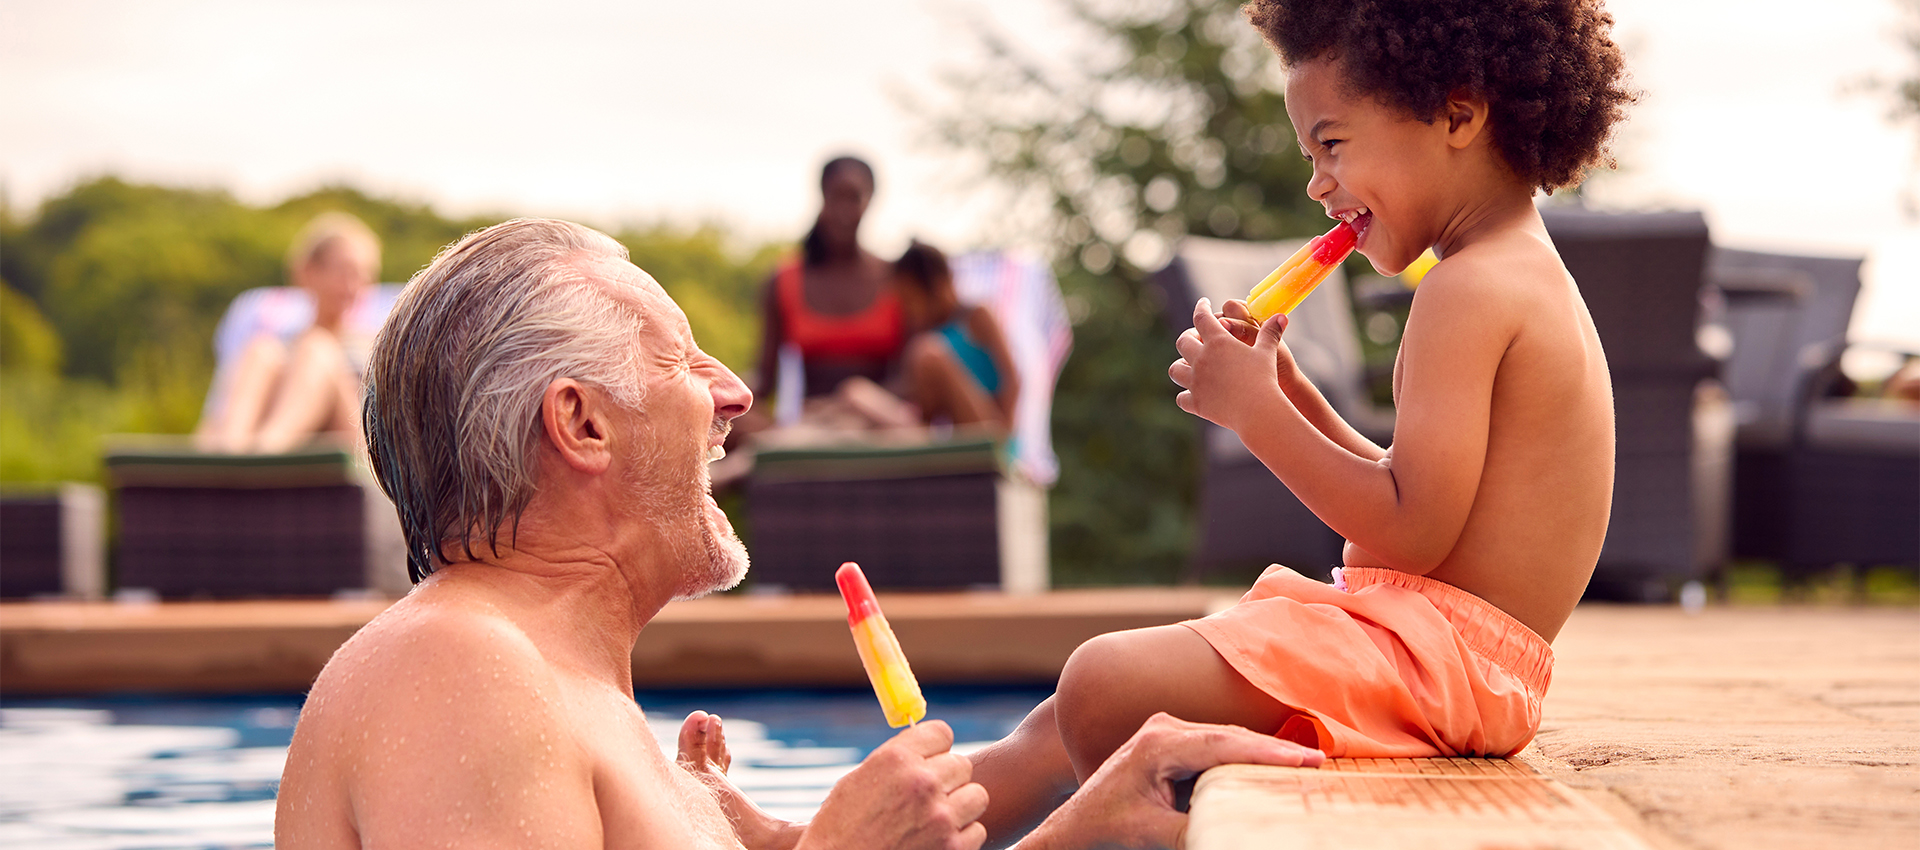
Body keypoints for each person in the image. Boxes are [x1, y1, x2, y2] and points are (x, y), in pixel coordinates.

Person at [273, 218, 1324, 850]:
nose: (731, 394)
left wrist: (1068, 764)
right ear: (581, 422)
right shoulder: (456, 665)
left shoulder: (569, 699)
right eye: (683, 359)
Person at [966, 0, 1634, 840]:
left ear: (1459, 114)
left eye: (1332, 144)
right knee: (1060, 714)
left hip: (1441, 666)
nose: (1318, 183)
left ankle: (1169, 832)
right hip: (1439, 651)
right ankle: (851, 835)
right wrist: (1289, 391)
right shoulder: (1508, 271)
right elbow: (1421, 495)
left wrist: (1254, 416)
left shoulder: (1469, 291)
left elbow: (1410, 530)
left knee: (1103, 680)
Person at [195, 212, 381, 454]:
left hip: (356, 447)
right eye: (343, 272)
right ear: (308, 273)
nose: (352, 286)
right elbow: (215, 417)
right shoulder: (277, 346)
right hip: (284, 434)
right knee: (261, 352)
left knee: (317, 348)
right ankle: (231, 455)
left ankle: (266, 455)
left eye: (361, 275)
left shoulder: (371, 344)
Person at [749, 156, 909, 429]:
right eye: (836, 197)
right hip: (812, 427)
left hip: (880, 426)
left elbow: (911, 378)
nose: (844, 211)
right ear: (822, 196)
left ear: (870, 201)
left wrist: (850, 404)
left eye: (854, 198)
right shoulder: (784, 281)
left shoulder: (897, 280)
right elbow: (764, 380)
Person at [894, 240, 1020, 434]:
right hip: (955, 431)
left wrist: (1005, 434)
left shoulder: (976, 316)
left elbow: (1012, 379)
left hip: (990, 427)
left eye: (910, 299)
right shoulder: (928, 332)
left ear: (936, 286)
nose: (908, 311)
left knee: (927, 353)